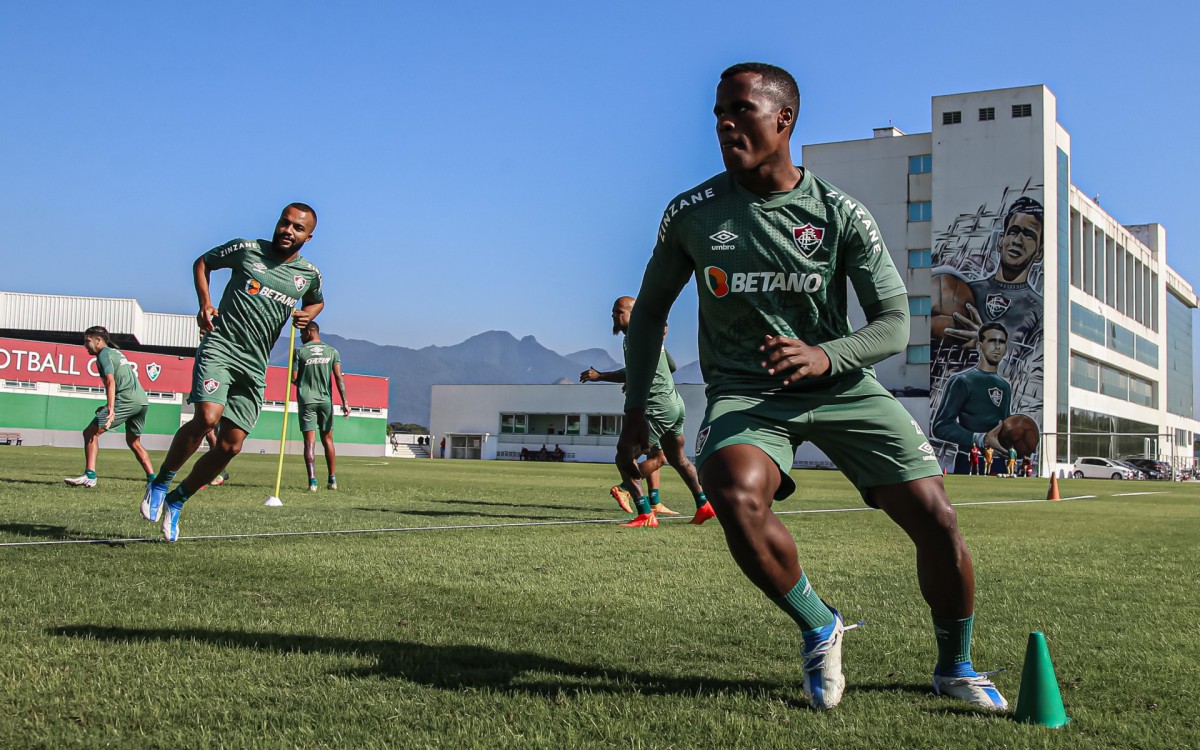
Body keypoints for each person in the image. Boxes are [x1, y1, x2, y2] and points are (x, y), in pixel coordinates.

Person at [617, 63, 1007, 711]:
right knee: (734, 492)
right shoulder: (692, 213)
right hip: (749, 395)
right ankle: (819, 625)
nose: (724, 122)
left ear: (784, 120)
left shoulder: (839, 214)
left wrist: (825, 357)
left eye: (741, 109)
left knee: (937, 521)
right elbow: (650, 312)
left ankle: (956, 666)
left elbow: (890, 325)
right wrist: (636, 407)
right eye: (719, 112)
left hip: (841, 386)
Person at [141, 203, 324, 541]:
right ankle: (162, 480)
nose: (288, 230)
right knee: (208, 417)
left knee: (230, 447)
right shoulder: (247, 250)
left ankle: (177, 500)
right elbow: (203, 262)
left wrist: (307, 315)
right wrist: (204, 303)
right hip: (221, 346)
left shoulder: (308, 274)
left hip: (256, 365)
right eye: (285, 223)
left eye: (298, 228)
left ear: (308, 236)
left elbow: (316, 300)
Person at [581, 296, 713, 525]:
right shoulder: (643, 337)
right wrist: (635, 376)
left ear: (634, 314)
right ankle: (704, 505)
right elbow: (670, 366)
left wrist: (609, 377)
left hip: (657, 407)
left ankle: (644, 512)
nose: (614, 315)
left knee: (624, 456)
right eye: (613, 311)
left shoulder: (637, 337)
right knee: (677, 458)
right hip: (674, 404)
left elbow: (640, 369)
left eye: (619, 311)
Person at [933, 197, 1044, 350]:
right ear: (1000, 240)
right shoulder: (967, 291)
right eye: (1013, 231)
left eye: (1028, 235)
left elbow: (1028, 368)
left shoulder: (1040, 311)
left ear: (1039, 252)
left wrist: (985, 344)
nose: (1017, 241)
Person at [63, 326, 155, 487]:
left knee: (90, 433)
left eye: (87, 341)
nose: (85, 345)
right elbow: (122, 382)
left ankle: (90, 476)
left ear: (98, 340)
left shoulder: (104, 354)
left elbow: (111, 381)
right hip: (141, 402)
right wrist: (108, 404)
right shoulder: (115, 353)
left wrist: (111, 409)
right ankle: (153, 479)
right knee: (134, 442)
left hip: (125, 400)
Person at [930, 323, 1013, 475]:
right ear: (980, 346)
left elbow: (1003, 426)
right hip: (969, 459)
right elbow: (941, 426)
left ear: (1006, 349)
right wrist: (981, 439)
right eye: (991, 341)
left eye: (1001, 342)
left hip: (999, 462)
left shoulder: (1005, 386)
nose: (997, 346)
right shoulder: (962, 381)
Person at [292, 321, 349, 491]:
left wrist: (304, 379)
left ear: (310, 332)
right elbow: (339, 378)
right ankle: (332, 480)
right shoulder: (332, 352)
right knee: (328, 440)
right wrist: (345, 401)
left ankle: (312, 482)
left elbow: (294, 379)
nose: (301, 338)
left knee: (309, 442)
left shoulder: (299, 352)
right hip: (326, 401)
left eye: (302, 334)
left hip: (307, 400)